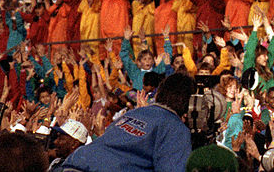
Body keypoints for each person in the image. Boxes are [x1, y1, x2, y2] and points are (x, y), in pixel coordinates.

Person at [58, 72, 196, 172]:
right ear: (191, 105)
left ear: (159, 93)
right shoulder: (176, 128)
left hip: (73, 163)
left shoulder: (133, 113)